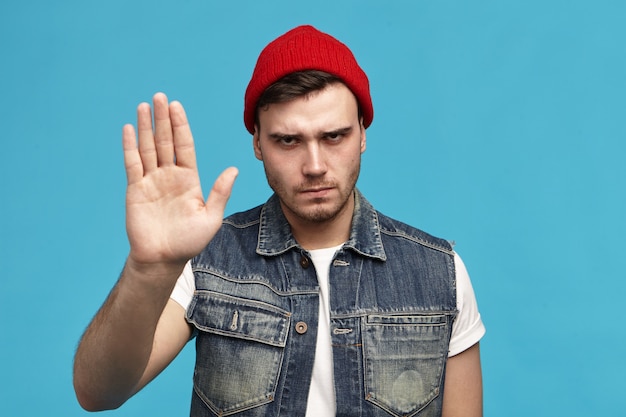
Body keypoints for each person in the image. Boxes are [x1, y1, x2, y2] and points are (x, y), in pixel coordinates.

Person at [73, 25, 485, 417]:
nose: (315, 165)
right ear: (257, 141)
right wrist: (148, 269)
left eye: (334, 136)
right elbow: (97, 392)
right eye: (288, 140)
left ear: (362, 132)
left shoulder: (439, 272)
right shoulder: (205, 258)